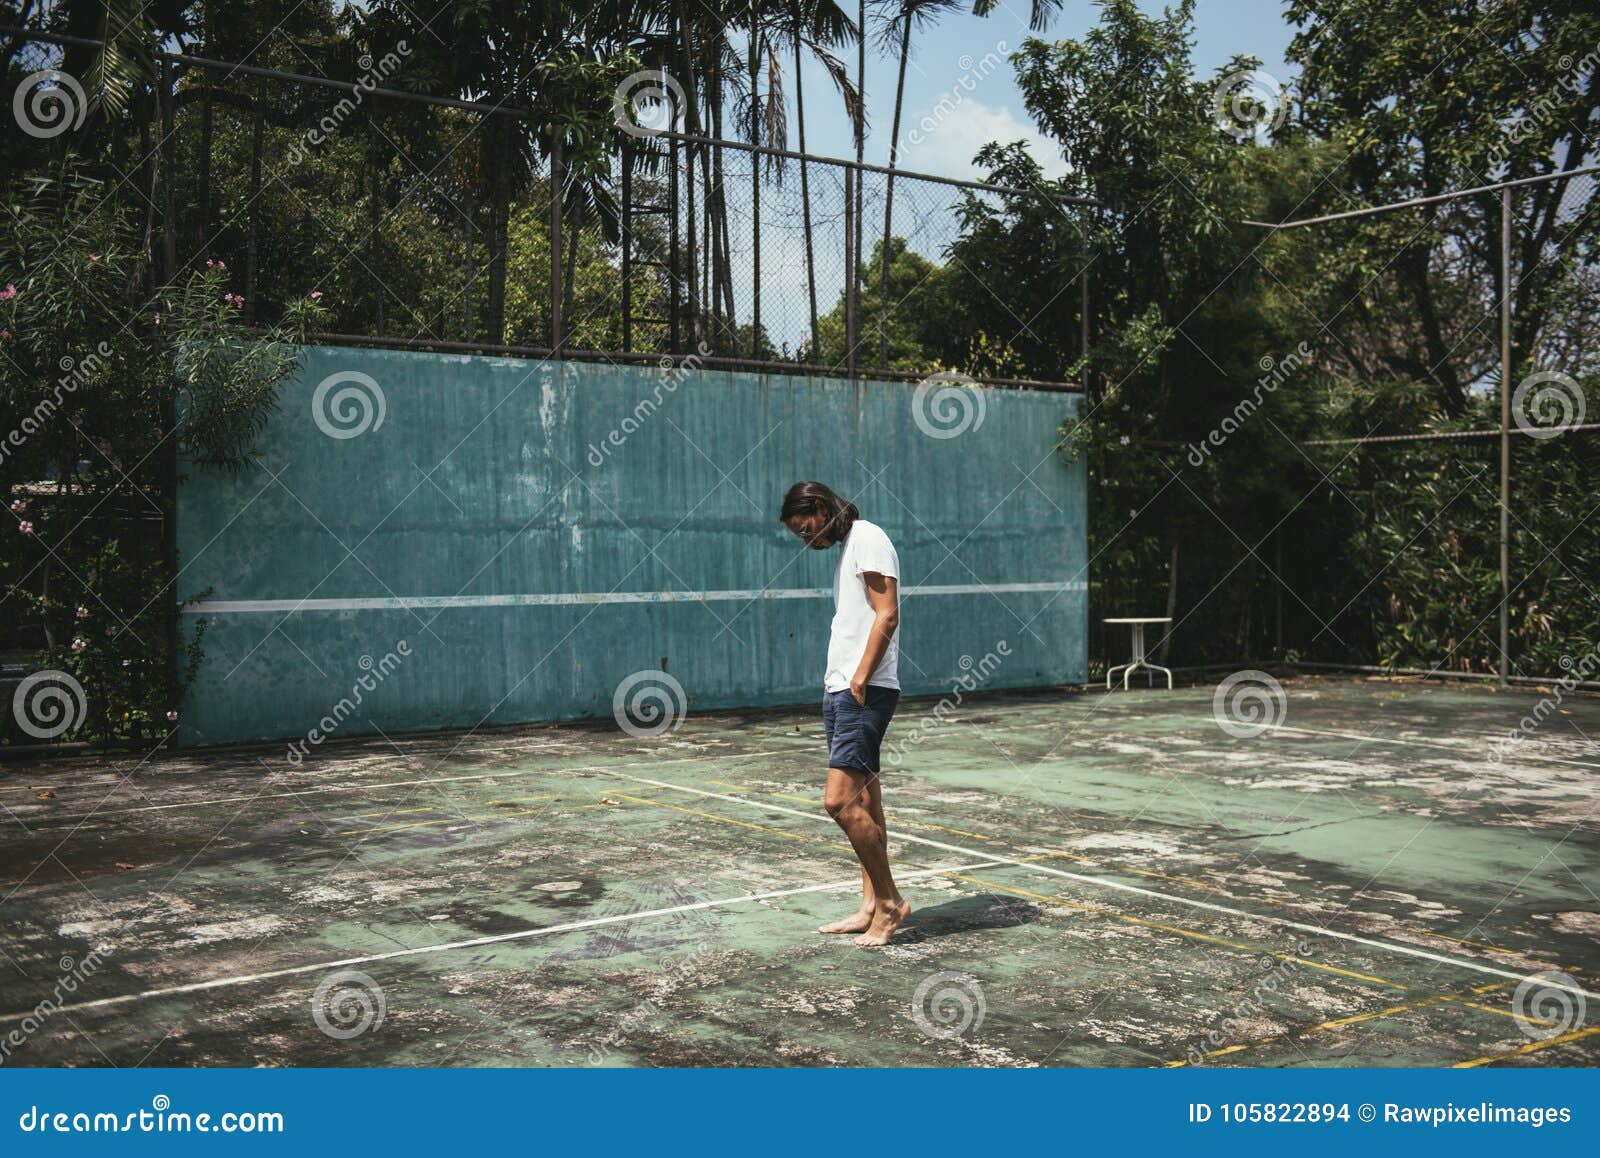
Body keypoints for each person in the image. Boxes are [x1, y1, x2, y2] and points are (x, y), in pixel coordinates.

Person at [778, 481, 909, 947]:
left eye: (806, 526)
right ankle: (871, 905)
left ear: (820, 507)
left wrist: (858, 679)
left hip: (864, 690)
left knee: (839, 801)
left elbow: (887, 614)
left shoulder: (868, 537)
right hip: (843, 689)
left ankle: (891, 903)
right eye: (799, 534)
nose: (806, 538)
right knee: (867, 802)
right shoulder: (848, 547)